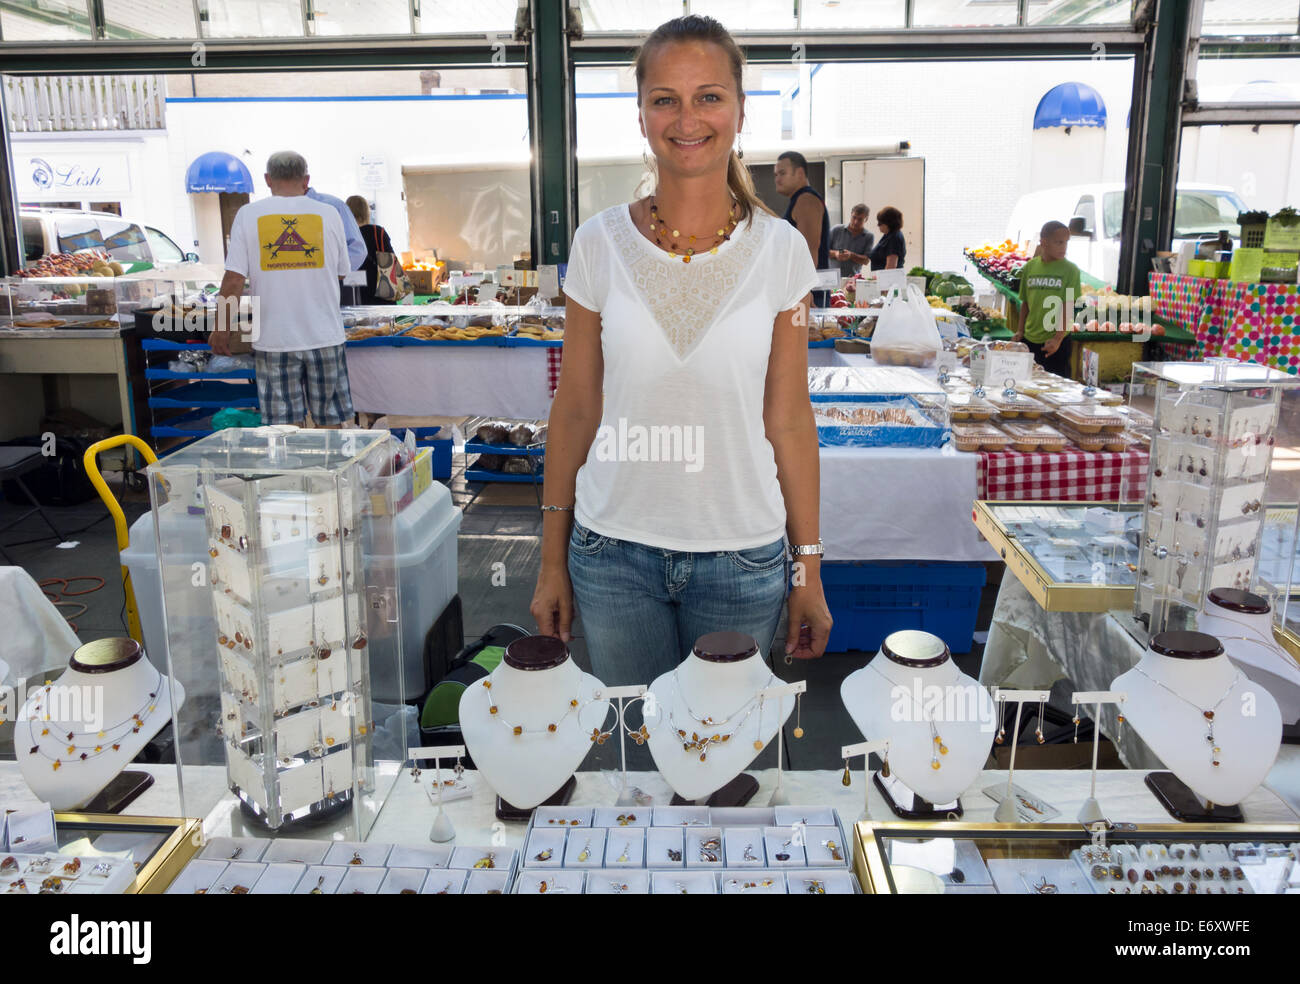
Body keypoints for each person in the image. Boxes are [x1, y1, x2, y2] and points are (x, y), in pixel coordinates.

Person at [530, 14, 833, 685]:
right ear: (641, 116)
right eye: (665, 98)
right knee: (635, 763)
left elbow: (789, 419)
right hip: (611, 555)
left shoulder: (782, 250)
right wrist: (552, 561)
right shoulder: (598, 244)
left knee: (725, 763)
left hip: (744, 558)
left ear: (740, 110)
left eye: (709, 96)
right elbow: (576, 408)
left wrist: (805, 567)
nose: (686, 117)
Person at [211, 150, 354, 428]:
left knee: (284, 431)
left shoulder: (248, 215)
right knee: (331, 427)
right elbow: (340, 273)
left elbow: (233, 281)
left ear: (267, 179)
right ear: (306, 179)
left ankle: (292, 473)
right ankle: (335, 471)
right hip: (325, 337)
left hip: (274, 341)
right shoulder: (329, 214)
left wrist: (222, 327)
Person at [1014, 219, 1080, 378]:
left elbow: (1068, 306)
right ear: (1044, 243)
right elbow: (1025, 303)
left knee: (1056, 391)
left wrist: (1057, 339)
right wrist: (1020, 331)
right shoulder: (1030, 267)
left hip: (1055, 344)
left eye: (1066, 243)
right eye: (1059, 242)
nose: (1063, 247)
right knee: (1027, 385)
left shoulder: (1071, 270)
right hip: (1029, 339)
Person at [774, 150, 830, 306]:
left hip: (809, 294)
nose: (777, 179)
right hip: (802, 290)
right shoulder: (799, 200)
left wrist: (806, 291)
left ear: (799, 173)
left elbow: (810, 249)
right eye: (776, 175)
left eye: (782, 173)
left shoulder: (806, 200)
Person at [347, 195, 396, 305]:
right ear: (366, 212)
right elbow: (390, 262)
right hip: (380, 293)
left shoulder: (345, 235)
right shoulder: (377, 232)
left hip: (354, 294)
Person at [307, 186, 366, 272]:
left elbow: (358, 250)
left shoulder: (334, 205)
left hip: (325, 281)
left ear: (305, 180)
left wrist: (333, 271)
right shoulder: (281, 207)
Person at [829, 203, 873, 278]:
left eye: (860, 219)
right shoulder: (836, 230)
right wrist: (836, 253)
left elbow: (866, 261)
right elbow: (823, 251)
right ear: (851, 215)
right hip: (832, 278)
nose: (856, 222)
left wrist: (850, 255)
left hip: (852, 280)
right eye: (854, 217)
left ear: (866, 219)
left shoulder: (869, 236)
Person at [868, 206, 906, 271]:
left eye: (880, 223)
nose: (878, 225)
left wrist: (883, 280)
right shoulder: (888, 235)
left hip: (888, 279)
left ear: (888, 223)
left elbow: (891, 267)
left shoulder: (894, 238)